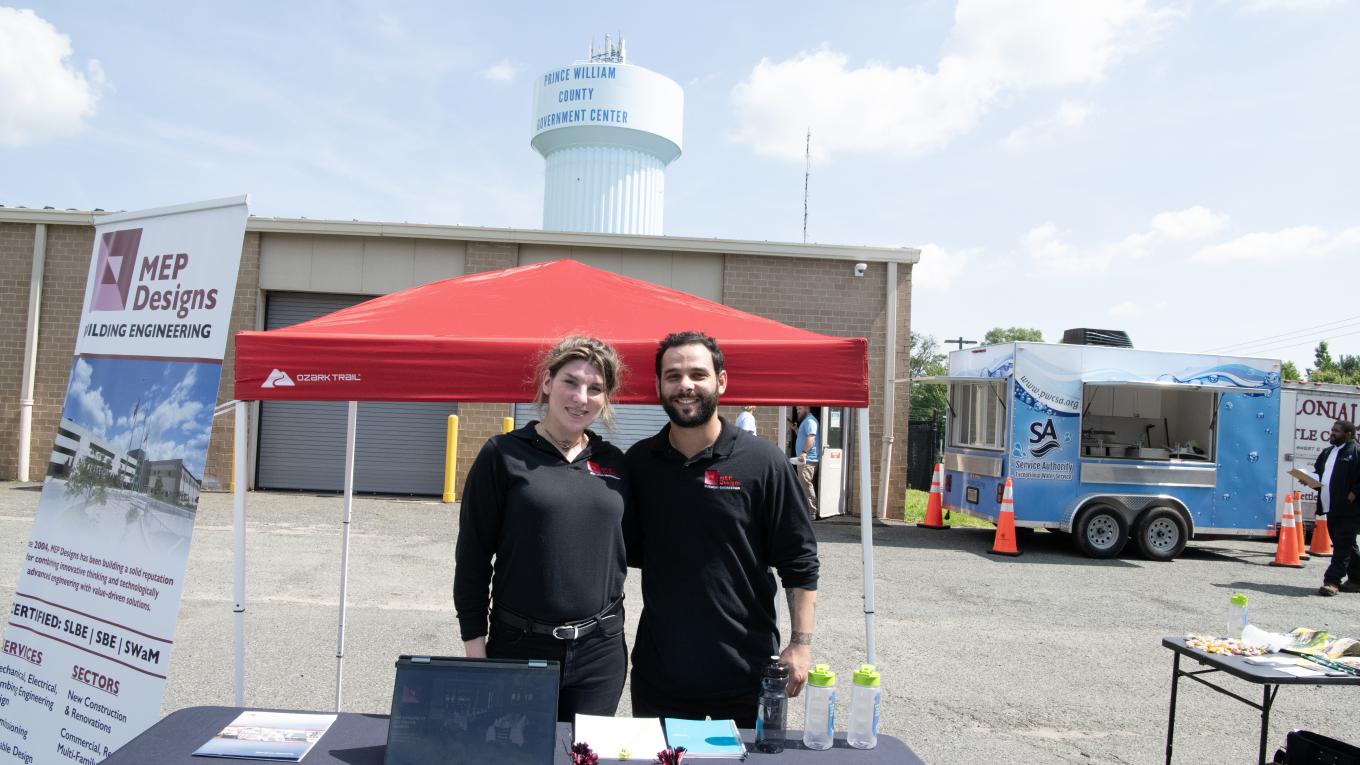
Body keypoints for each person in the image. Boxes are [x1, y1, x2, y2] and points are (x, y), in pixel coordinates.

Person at [625, 331, 819, 727]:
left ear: (721, 381)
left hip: (746, 674)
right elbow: (621, 551)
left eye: (698, 374)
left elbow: (799, 561)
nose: (685, 386)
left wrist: (800, 644)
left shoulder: (763, 463)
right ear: (659, 385)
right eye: (673, 375)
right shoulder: (640, 463)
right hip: (662, 675)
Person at [453, 336, 630, 718]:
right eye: (571, 382)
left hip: (600, 652)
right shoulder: (503, 455)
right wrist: (475, 648)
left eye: (595, 388)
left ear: (605, 399)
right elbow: (473, 557)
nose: (581, 397)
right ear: (547, 383)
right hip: (520, 647)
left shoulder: (614, 462)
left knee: (583, 756)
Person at [1315, 419, 1360, 596]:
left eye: (1337, 431)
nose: (1332, 433)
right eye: (1332, 430)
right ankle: (1357, 580)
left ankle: (1332, 581)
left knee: (1342, 546)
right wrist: (1310, 480)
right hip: (1330, 506)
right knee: (1347, 545)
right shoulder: (1328, 452)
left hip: (1350, 509)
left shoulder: (1355, 451)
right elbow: (1319, 474)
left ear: (1348, 434)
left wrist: (1355, 492)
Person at [794, 405, 820, 519]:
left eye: (800, 409)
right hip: (805, 459)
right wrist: (795, 429)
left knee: (806, 484)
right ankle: (807, 510)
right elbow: (804, 437)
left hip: (808, 459)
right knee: (804, 484)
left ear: (807, 408)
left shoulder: (810, 421)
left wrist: (804, 452)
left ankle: (812, 511)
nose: (797, 412)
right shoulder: (806, 421)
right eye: (797, 410)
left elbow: (811, 437)